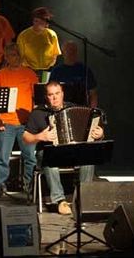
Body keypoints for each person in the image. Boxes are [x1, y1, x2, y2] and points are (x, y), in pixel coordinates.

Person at [23, 80, 105, 215]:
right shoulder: (38, 113)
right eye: (51, 95)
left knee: (88, 159)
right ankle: (60, 201)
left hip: (72, 153)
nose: (54, 98)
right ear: (46, 97)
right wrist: (40, 136)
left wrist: (100, 134)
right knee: (49, 158)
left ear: (62, 94)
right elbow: (26, 138)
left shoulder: (73, 108)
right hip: (49, 153)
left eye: (57, 93)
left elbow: (93, 131)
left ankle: (82, 198)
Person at [0, 43, 38, 196]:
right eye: (12, 55)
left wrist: (35, 123)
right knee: (2, 158)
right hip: (6, 122)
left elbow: (35, 98)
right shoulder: (0, 75)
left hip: (26, 124)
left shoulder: (30, 74)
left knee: (30, 158)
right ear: (6, 57)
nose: (15, 57)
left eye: (17, 54)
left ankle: (28, 186)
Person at [48, 41, 99, 108]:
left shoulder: (85, 70)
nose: (71, 53)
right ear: (63, 53)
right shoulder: (56, 71)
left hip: (82, 108)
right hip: (61, 109)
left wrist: (92, 111)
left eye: (73, 50)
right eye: (68, 50)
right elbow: (50, 93)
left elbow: (93, 93)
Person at [16, 7, 60, 80]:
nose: (47, 22)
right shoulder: (23, 35)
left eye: (48, 19)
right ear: (35, 20)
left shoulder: (52, 34)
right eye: (45, 19)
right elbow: (20, 56)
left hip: (47, 71)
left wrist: (49, 66)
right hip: (29, 70)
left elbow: (55, 54)